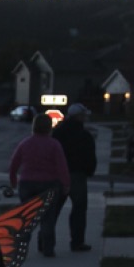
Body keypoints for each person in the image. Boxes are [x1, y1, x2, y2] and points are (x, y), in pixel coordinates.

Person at [8, 111, 70, 257]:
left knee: (26, 219)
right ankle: (48, 249)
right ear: (50, 127)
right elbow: (62, 167)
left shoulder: (25, 143)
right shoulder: (54, 145)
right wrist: (66, 184)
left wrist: (13, 181)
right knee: (48, 218)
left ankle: (20, 249)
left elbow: (14, 164)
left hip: (27, 184)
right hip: (49, 184)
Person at [52, 103, 97, 252]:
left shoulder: (57, 133)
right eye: (83, 115)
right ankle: (77, 242)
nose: (85, 118)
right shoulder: (84, 135)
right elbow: (90, 156)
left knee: (53, 210)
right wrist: (89, 171)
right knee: (78, 210)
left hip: (58, 175)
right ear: (79, 116)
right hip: (77, 174)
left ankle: (45, 241)